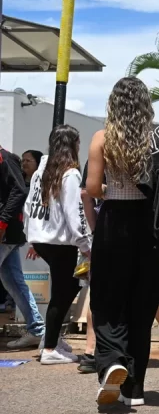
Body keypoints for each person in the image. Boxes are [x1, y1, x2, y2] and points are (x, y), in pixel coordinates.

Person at [86, 76, 159, 406]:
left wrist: (112, 188)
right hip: (150, 227)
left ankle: (112, 363)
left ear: (113, 104)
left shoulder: (102, 138)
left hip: (114, 224)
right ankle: (135, 389)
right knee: (142, 307)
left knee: (108, 301)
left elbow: (92, 188)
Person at [77, 160, 159, 376]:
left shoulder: (101, 148)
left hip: (107, 228)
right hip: (144, 228)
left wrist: (96, 229)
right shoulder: (151, 149)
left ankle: (92, 351)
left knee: (101, 293)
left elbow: (86, 193)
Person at [23, 125, 90, 365]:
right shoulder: (70, 174)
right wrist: (85, 244)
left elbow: (28, 205)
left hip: (41, 240)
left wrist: (31, 236)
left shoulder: (41, 171)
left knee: (65, 289)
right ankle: (50, 347)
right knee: (64, 292)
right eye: (78, 142)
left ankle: (51, 339)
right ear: (72, 145)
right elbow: (75, 213)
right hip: (61, 243)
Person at [1, 145, 46, 349]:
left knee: (14, 281)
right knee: (13, 281)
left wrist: (2, 222)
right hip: (9, 233)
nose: (24, 163)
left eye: (29, 160)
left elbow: (19, 192)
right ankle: (37, 329)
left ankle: (38, 330)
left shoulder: (6, 159)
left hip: (6, 233)